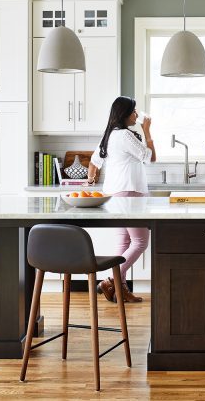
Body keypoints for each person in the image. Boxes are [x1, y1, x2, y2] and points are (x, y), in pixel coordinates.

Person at [87, 96, 155, 303]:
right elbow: (150, 157)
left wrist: (91, 179)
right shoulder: (125, 135)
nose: (137, 114)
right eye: (134, 111)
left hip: (115, 195)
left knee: (124, 242)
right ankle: (110, 281)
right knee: (141, 242)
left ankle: (119, 288)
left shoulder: (110, 135)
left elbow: (94, 162)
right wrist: (147, 130)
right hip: (129, 194)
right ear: (125, 114)